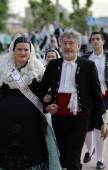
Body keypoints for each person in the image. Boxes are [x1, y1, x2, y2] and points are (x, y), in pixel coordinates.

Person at [0, 36, 62, 170]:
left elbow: (45, 90)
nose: (22, 53)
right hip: (5, 115)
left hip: (31, 116)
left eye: (26, 50)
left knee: (30, 145)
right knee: (5, 146)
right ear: (13, 50)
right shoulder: (3, 68)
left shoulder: (37, 68)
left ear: (30, 51)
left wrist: (48, 99)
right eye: (19, 49)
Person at [38, 27, 108, 170]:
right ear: (60, 45)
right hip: (58, 117)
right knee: (63, 157)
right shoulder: (53, 65)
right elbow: (41, 89)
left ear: (77, 45)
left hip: (80, 118)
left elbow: (96, 94)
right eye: (64, 43)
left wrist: (102, 121)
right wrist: (47, 106)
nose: (67, 46)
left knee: (73, 158)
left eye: (71, 43)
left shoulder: (88, 65)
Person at [82, 31, 108, 169]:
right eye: (93, 39)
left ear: (103, 41)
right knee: (87, 126)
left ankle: (100, 159)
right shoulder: (85, 58)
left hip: (105, 97)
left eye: (98, 39)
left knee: (101, 126)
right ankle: (90, 148)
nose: (95, 41)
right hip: (88, 96)